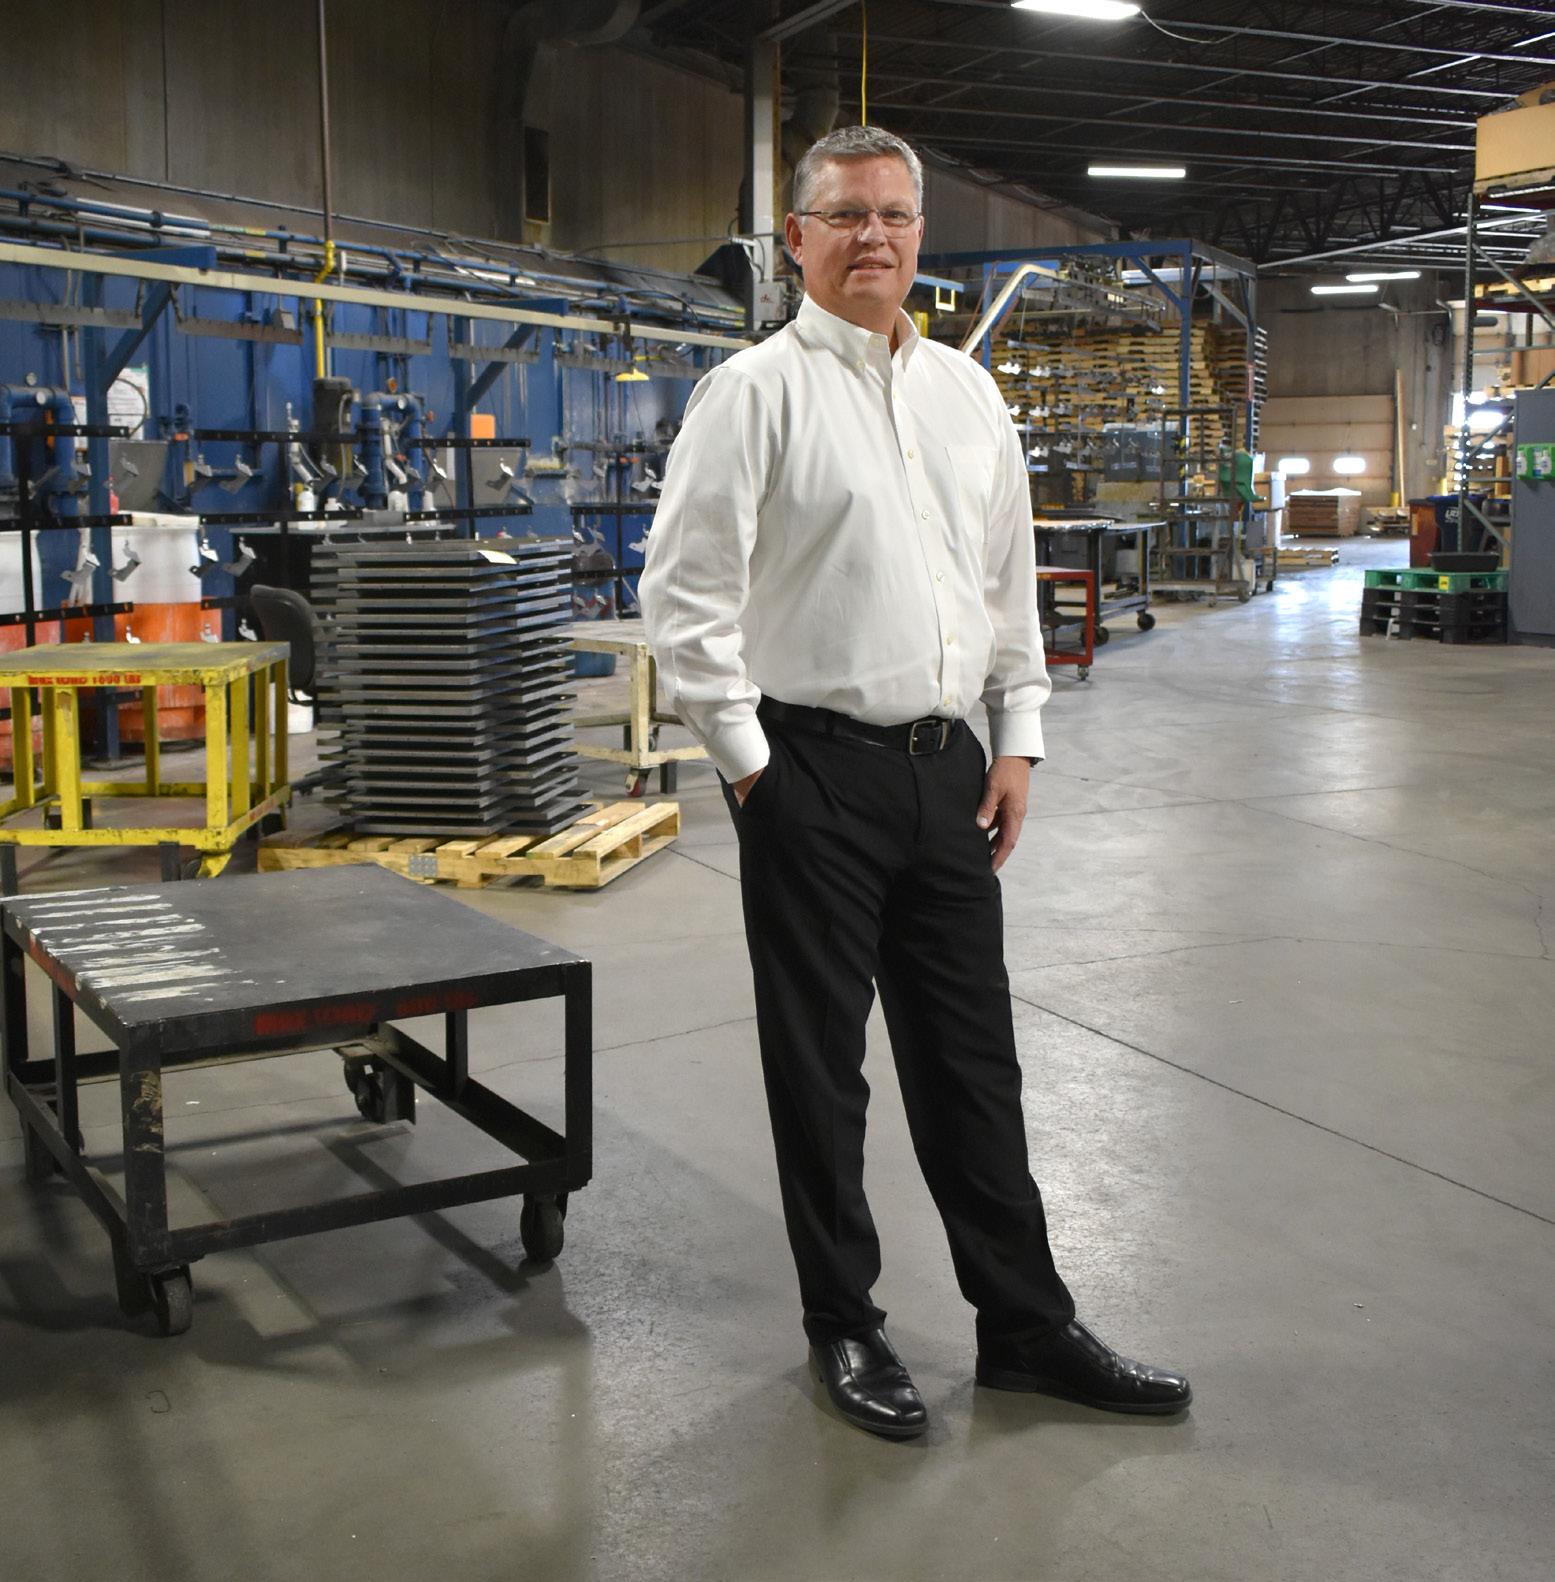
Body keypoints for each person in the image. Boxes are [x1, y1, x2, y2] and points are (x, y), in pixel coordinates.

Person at [638, 125, 1189, 1440]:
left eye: (892, 214)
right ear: (798, 240)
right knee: (822, 1072)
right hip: (809, 775)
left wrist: (1019, 735)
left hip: (949, 774)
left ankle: (1027, 1327)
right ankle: (845, 1323)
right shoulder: (752, 395)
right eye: (845, 215)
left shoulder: (967, 395)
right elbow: (685, 603)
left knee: (972, 1060)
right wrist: (755, 773)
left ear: (920, 235)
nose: (871, 235)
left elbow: (1004, 584)